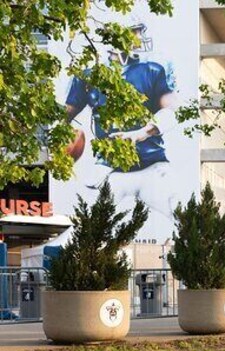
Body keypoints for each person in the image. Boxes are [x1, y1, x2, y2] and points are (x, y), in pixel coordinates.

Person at [64, 16, 179, 221]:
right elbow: (63, 116)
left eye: (138, 31)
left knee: (184, 219)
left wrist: (141, 133)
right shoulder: (88, 76)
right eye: (133, 31)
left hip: (151, 164)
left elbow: (171, 112)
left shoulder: (152, 70)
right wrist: (60, 140)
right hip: (108, 168)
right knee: (87, 228)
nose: (139, 37)